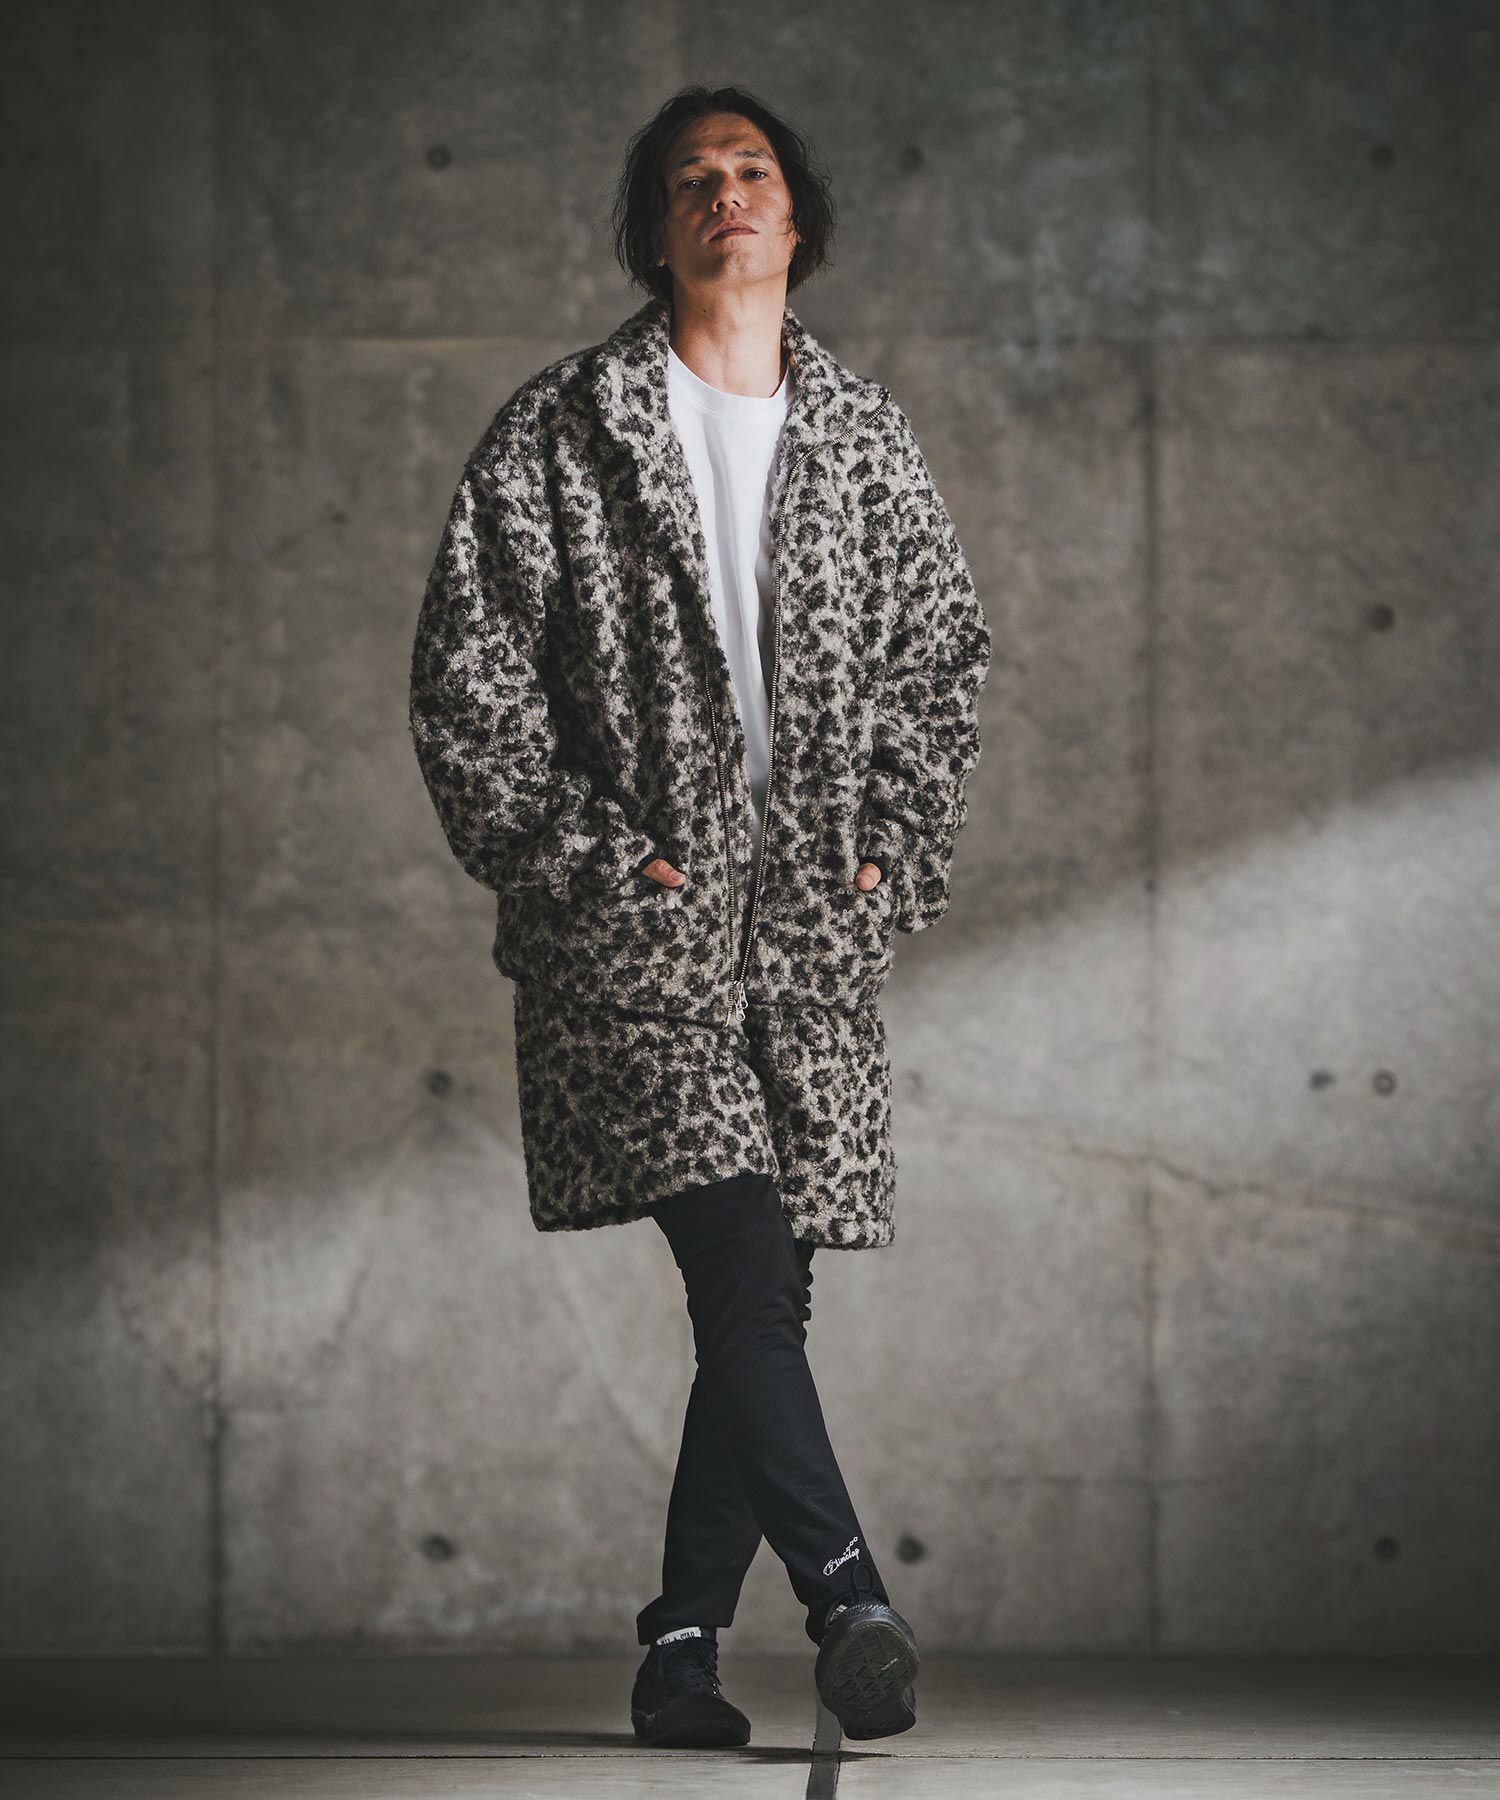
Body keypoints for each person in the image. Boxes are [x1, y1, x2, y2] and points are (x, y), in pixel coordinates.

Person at [409, 83, 990, 1749]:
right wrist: (598, 861)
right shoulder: (565, 428)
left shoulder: (864, 435)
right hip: (634, 942)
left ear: (795, 216)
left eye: (749, 171)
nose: (723, 192)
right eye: (689, 180)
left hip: (808, 946)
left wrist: (891, 848)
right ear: (656, 233)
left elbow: (942, 657)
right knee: (738, 1256)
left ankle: (677, 1655)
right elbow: (467, 679)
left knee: (759, 1311)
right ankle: (849, 1598)